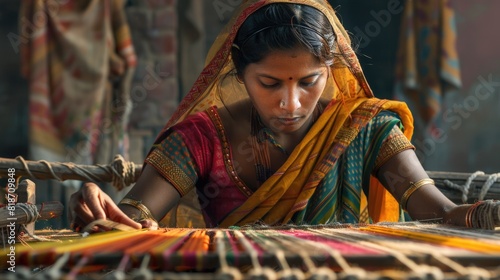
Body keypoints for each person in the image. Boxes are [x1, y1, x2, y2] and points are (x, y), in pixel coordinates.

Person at [69, 0, 498, 231]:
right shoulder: (201, 138)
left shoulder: (364, 129)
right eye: (270, 84)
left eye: (308, 82)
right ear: (239, 70)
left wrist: (481, 214)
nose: (290, 104)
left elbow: (438, 212)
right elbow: (135, 216)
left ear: (331, 70)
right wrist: (100, 210)